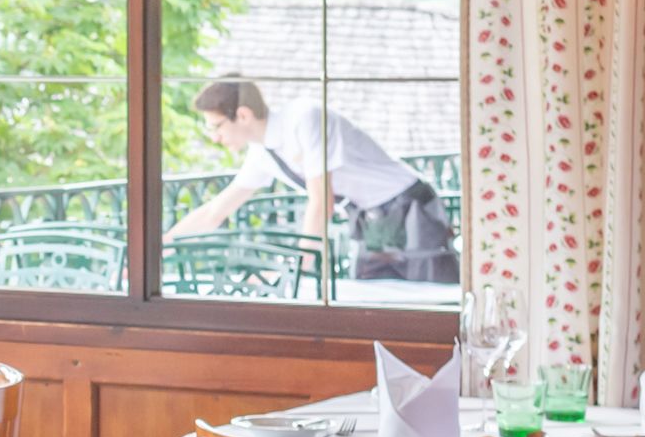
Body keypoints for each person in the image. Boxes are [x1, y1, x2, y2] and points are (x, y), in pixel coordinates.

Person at [169, 76, 460, 284]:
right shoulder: (262, 152)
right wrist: (162, 245)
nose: (215, 138)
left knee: (432, 297)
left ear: (242, 115)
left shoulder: (304, 118)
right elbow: (215, 211)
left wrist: (299, 266)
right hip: (370, 217)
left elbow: (321, 201)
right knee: (375, 303)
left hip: (409, 205)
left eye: (215, 127)